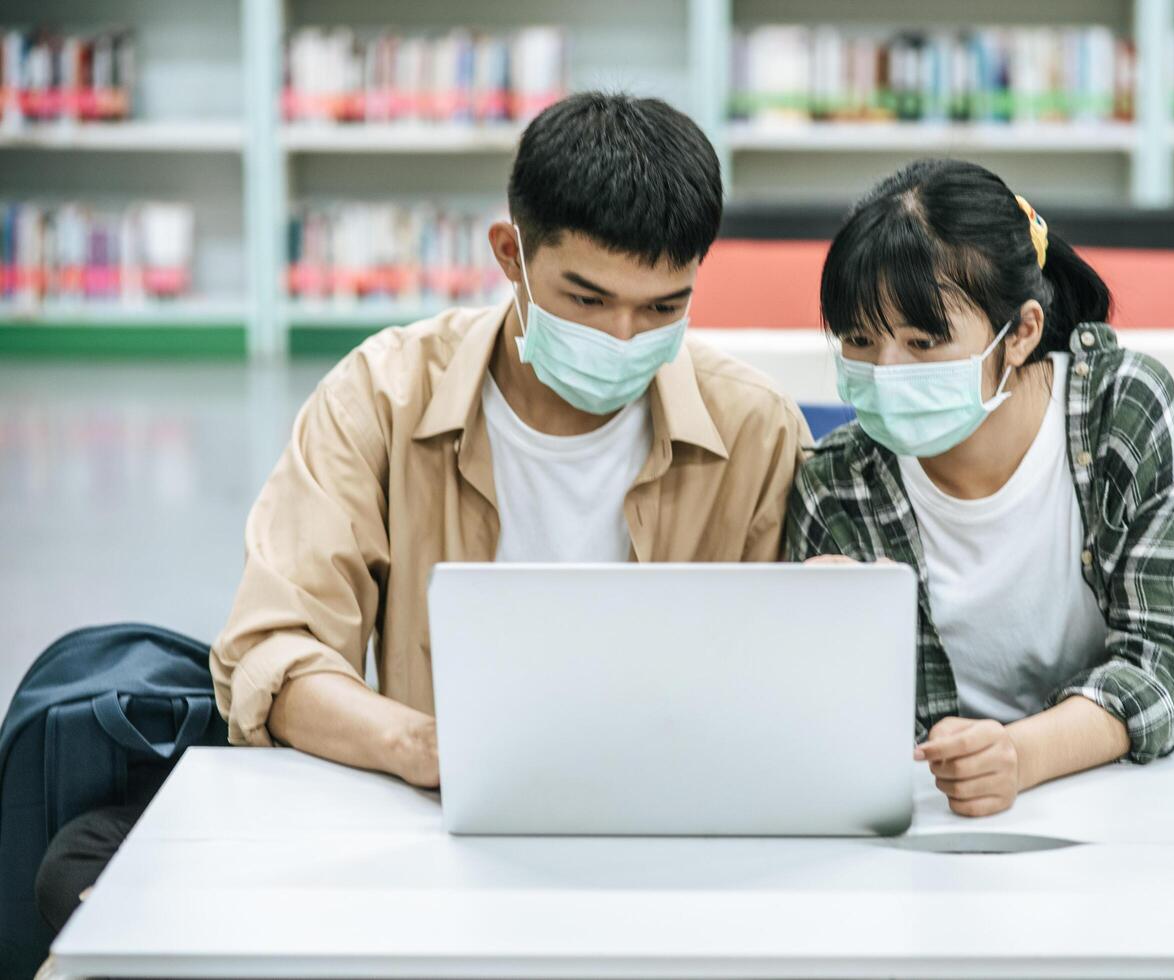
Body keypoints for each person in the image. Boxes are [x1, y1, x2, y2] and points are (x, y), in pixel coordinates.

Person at [34, 92, 808, 933]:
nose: (624, 338)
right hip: (435, 830)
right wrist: (423, 748)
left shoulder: (756, 428)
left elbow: (811, 693)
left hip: (677, 840)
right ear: (509, 254)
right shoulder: (384, 394)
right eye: (586, 301)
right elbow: (273, 654)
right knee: (89, 869)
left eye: (662, 308)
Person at [786, 158, 1174, 818]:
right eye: (858, 340)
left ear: (1021, 332)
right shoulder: (837, 482)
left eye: (923, 342)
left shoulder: (1120, 408)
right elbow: (831, 734)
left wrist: (1017, 756)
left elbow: (1169, 664)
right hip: (943, 818)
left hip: (1138, 800)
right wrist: (821, 640)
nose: (884, 373)